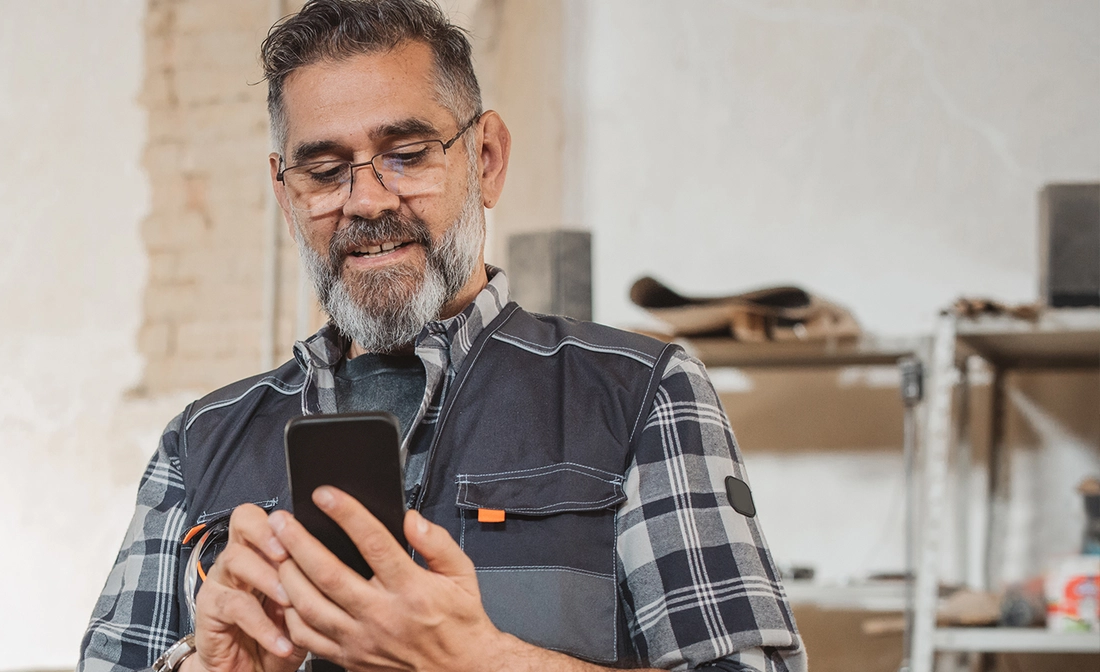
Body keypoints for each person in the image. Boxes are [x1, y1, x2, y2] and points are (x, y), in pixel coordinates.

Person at [77, 1, 807, 671]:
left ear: (485, 159)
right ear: (285, 191)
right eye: (325, 170)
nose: (366, 199)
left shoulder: (638, 396)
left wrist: (474, 658)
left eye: (409, 153)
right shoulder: (199, 443)